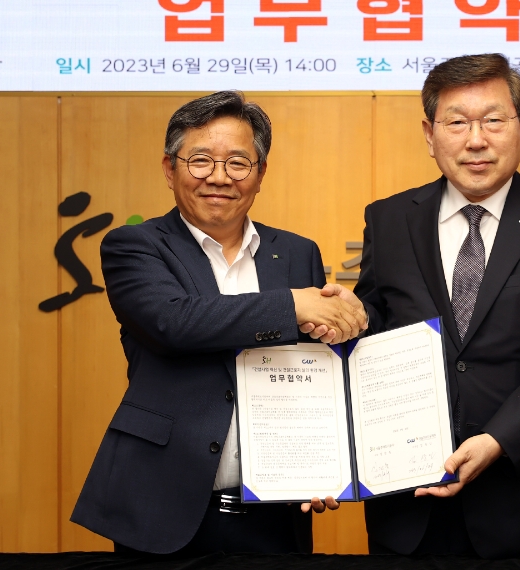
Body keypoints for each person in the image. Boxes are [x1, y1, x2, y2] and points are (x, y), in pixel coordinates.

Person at [71, 90, 367, 555]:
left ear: (260, 174)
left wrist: (344, 322)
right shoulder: (135, 245)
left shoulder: (296, 252)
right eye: (201, 160)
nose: (219, 177)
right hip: (161, 503)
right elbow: (173, 322)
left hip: (275, 509)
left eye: (238, 163)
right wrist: (292, 306)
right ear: (169, 168)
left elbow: (313, 368)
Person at [352, 54, 520, 558]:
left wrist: (499, 439)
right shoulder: (388, 220)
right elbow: (376, 331)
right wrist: (348, 320)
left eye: (493, 120)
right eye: (456, 123)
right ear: (430, 134)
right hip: (407, 503)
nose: (476, 140)